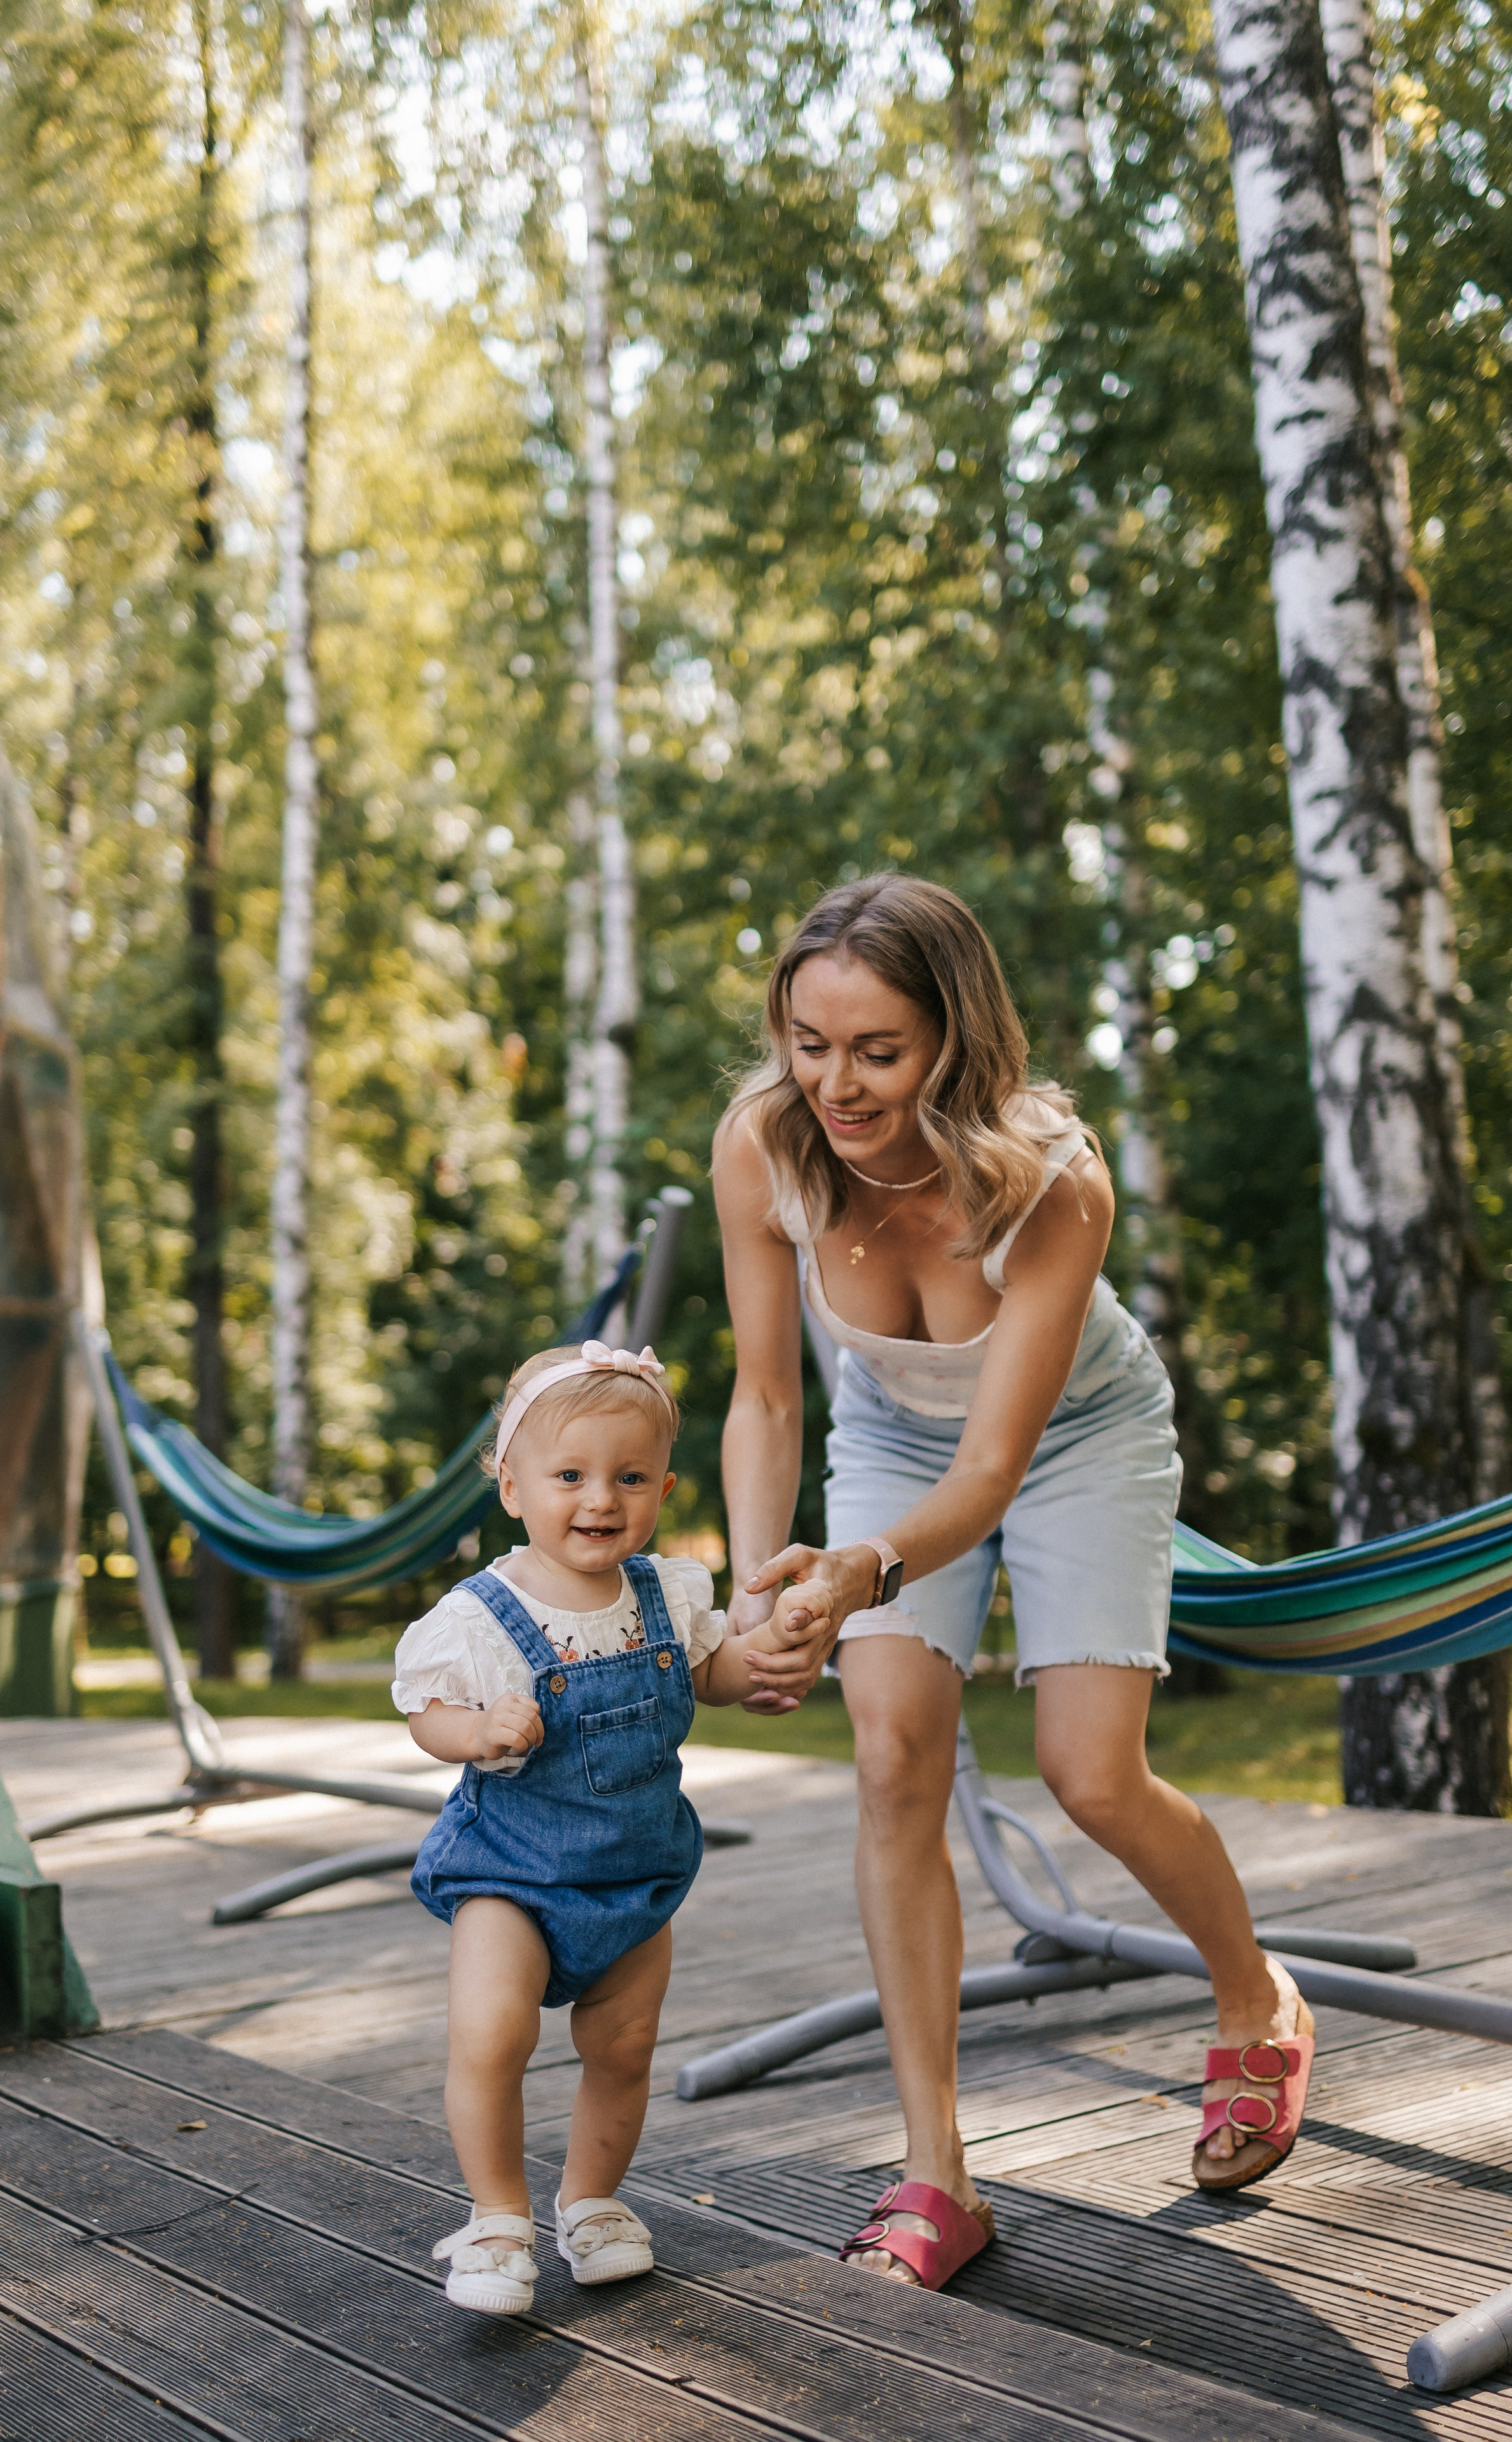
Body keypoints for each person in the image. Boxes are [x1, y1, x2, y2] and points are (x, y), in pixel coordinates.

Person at [712, 874, 1314, 2293]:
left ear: (955, 1042)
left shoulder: (1054, 1182)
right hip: (881, 1431)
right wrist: (759, 1587)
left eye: (877, 1051)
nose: (834, 1086)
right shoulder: (766, 1148)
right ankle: (934, 2175)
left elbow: (990, 1472)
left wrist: (857, 1568)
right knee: (889, 1757)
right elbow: (764, 1396)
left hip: (1070, 1441)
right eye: (808, 1042)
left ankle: (1254, 1996)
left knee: (1088, 1773)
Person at [394, 1339, 828, 2315]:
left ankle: (590, 2202)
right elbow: (426, 1715)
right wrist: (476, 1730)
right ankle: (498, 2219)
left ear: (664, 1488)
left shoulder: (666, 1597)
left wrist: (760, 1664)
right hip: (510, 1873)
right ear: (511, 1486)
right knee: (490, 2036)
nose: (601, 1499)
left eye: (630, 1478)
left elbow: (707, 1673)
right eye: (570, 1476)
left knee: (624, 2047)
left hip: (635, 1878)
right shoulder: (479, 1619)